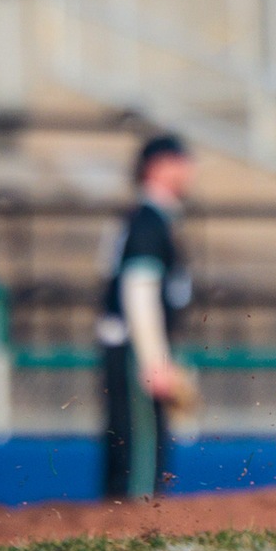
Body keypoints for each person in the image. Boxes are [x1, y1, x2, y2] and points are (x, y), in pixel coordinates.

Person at [99, 133, 194, 501]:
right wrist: (155, 360)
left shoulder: (149, 219)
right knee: (140, 457)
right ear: (158, 167)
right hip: (134, 351)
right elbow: (139, 291)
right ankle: (131, 534)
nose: (190, 171)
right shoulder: (148, 221)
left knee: (132, 448)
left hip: (130, 349)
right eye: (181, 161)